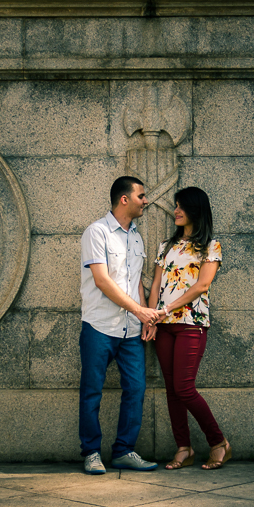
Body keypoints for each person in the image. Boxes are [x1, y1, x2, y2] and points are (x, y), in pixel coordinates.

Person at [143, 187, 230, 470]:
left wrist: (168, 309)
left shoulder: (210, 246)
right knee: (171, 389)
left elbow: (202, 285)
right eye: (176, 205)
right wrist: (152, 318)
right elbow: (156, 284)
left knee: (184, 387)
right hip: (164, 326)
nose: (176, 211)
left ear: (196, 209)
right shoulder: (166, 246)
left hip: (192, 323)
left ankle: (219, 442)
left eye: (181, 206)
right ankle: (184, 447)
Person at [78, 176, 160, 475]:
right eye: (141, 196)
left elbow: (135, 279)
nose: (146, 201)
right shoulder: (96, 232)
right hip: (99, 326)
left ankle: (124, 451)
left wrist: (145, 316)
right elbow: (102, 281)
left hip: (131, 331)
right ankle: (90, 453)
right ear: (124, 199)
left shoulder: (136, 237)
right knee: (91, 392)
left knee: (136, 389)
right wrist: (140, 310)